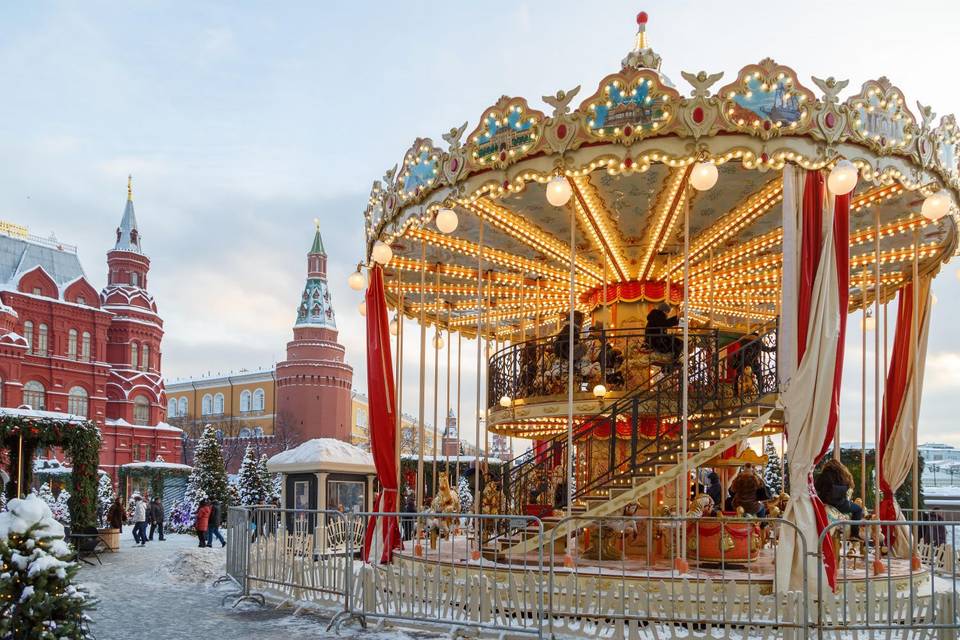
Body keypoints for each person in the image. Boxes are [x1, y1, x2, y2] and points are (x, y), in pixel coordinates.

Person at [815, 459, 863, 538]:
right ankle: (854, 534)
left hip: (824, 501)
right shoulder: (842, 475)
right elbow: (848, 487)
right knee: (858, 509)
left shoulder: (823, 475)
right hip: (840, 503)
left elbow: (817, 487)